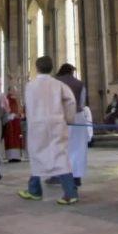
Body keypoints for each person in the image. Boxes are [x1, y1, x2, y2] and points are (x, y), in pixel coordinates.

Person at [18, 56, 78, 205]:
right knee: (60, 156)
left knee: (37, 156)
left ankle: (35, 190)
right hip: (56, 124)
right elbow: (71, 101)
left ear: (37, 68)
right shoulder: (58, 85)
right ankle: (69, 192)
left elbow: (27, 106)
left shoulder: (30, 86)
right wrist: (69, 119)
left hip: (37, 126)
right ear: (51, 68)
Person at [55, 63, 89, 188]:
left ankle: (61, 176)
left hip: (61, 118)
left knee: (62, 149)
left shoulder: (55, 83)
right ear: (70, 72)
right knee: (78, 149)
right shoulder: (80, 84)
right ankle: (76, 177)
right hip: (78, 117)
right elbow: (82, 103)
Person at [2, 86, 24, 162]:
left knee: (17, 139)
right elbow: (5, 111)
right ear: (9, 91)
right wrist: (12, 115)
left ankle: (17, 157)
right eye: (13, 90)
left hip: (16, 122)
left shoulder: (16, 99)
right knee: (11, 139)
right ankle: (11, 157)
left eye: (15, 90)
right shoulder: (6, 99)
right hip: (10, 122)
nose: (15, 92)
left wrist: (20, 114)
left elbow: (20, 110)